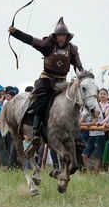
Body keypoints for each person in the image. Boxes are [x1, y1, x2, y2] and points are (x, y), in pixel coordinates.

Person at [9, 17, 83, 145]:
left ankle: (75, 135)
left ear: (67, 37)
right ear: (56, 36)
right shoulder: (48, 45)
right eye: (59, 35)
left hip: (62, 83)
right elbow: (31, 40)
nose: (61, 38)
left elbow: (79, 66)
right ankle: (36, 131)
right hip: (46, 81)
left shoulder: (72, 49)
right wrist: (15, 32)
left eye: (63, 35)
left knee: (72, 104)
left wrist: (83, 77)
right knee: (42, 101)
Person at [82, 109, 105, 174]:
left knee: (98, 155)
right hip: (91, 135)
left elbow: (93, 122)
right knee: (84, 155)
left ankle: (96, 173)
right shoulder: (85, 111)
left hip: (99, 135)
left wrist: (86, 124)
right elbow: (79, 122)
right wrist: (89, 124)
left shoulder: (97, 110)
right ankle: (89, 172)